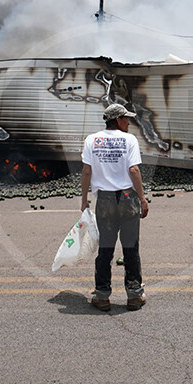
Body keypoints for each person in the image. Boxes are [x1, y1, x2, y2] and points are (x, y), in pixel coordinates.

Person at [81, 103, 150, 311]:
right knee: (130, 248)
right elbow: (134, 170)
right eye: (126, 119)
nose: (128, 122)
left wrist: (84, 200)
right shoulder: (129, 140)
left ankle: (102, 296)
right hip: (128, 198)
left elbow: (86, 172)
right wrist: (143, 199)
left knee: (106, 249)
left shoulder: (91, 140)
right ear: (117, 120)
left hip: (104, 201)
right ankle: (134, 295)